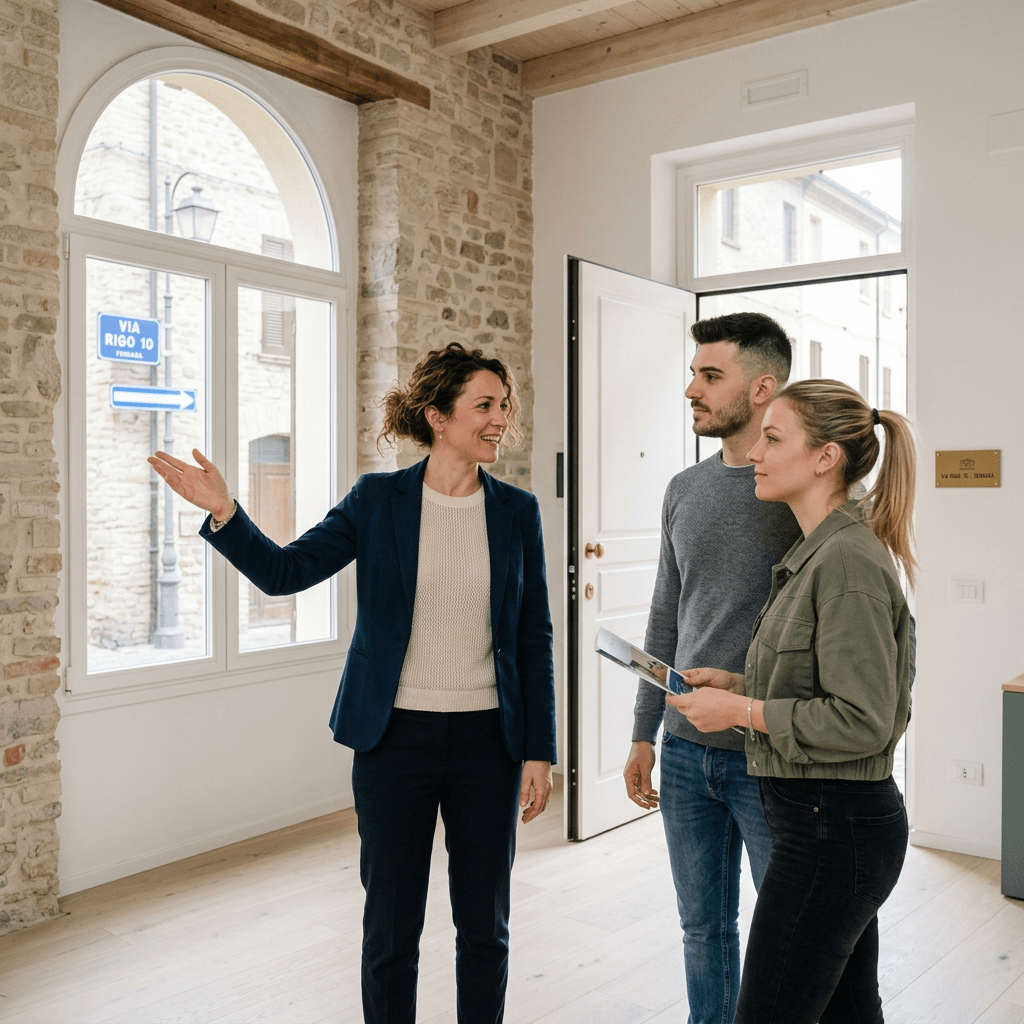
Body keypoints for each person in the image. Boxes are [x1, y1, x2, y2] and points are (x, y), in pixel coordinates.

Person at [148, 342, 557, 1024]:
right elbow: (286, 572)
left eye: (504, 407)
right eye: (484, 406)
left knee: (485, 927)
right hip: (393, 738)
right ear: (438, 417)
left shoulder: (516, 512)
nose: (500, 420)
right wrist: (225, 512)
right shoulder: (378, 500)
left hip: (490, 740)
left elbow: (532, 633)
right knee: (391, 929)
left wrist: (539, 748)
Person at [670, 379, 914, 1024]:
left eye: (773, 439)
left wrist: (743, 715)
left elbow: (861, 719)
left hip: (835, 830)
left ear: (825, 458)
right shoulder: (819, 552)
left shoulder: (847, 562)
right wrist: (740, 688)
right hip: (824, 823)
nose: (756, 453)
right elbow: (822, 685)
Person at [623, 312, 801, 1024]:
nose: (690, 388)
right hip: (686, 747)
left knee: (789, 936)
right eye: (693, 372)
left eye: (709, 374)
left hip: (769, 757)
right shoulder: (682, 489)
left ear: (762, 388)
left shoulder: (800, 491)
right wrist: (644, 732)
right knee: (703, 930)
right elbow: (667, 614)